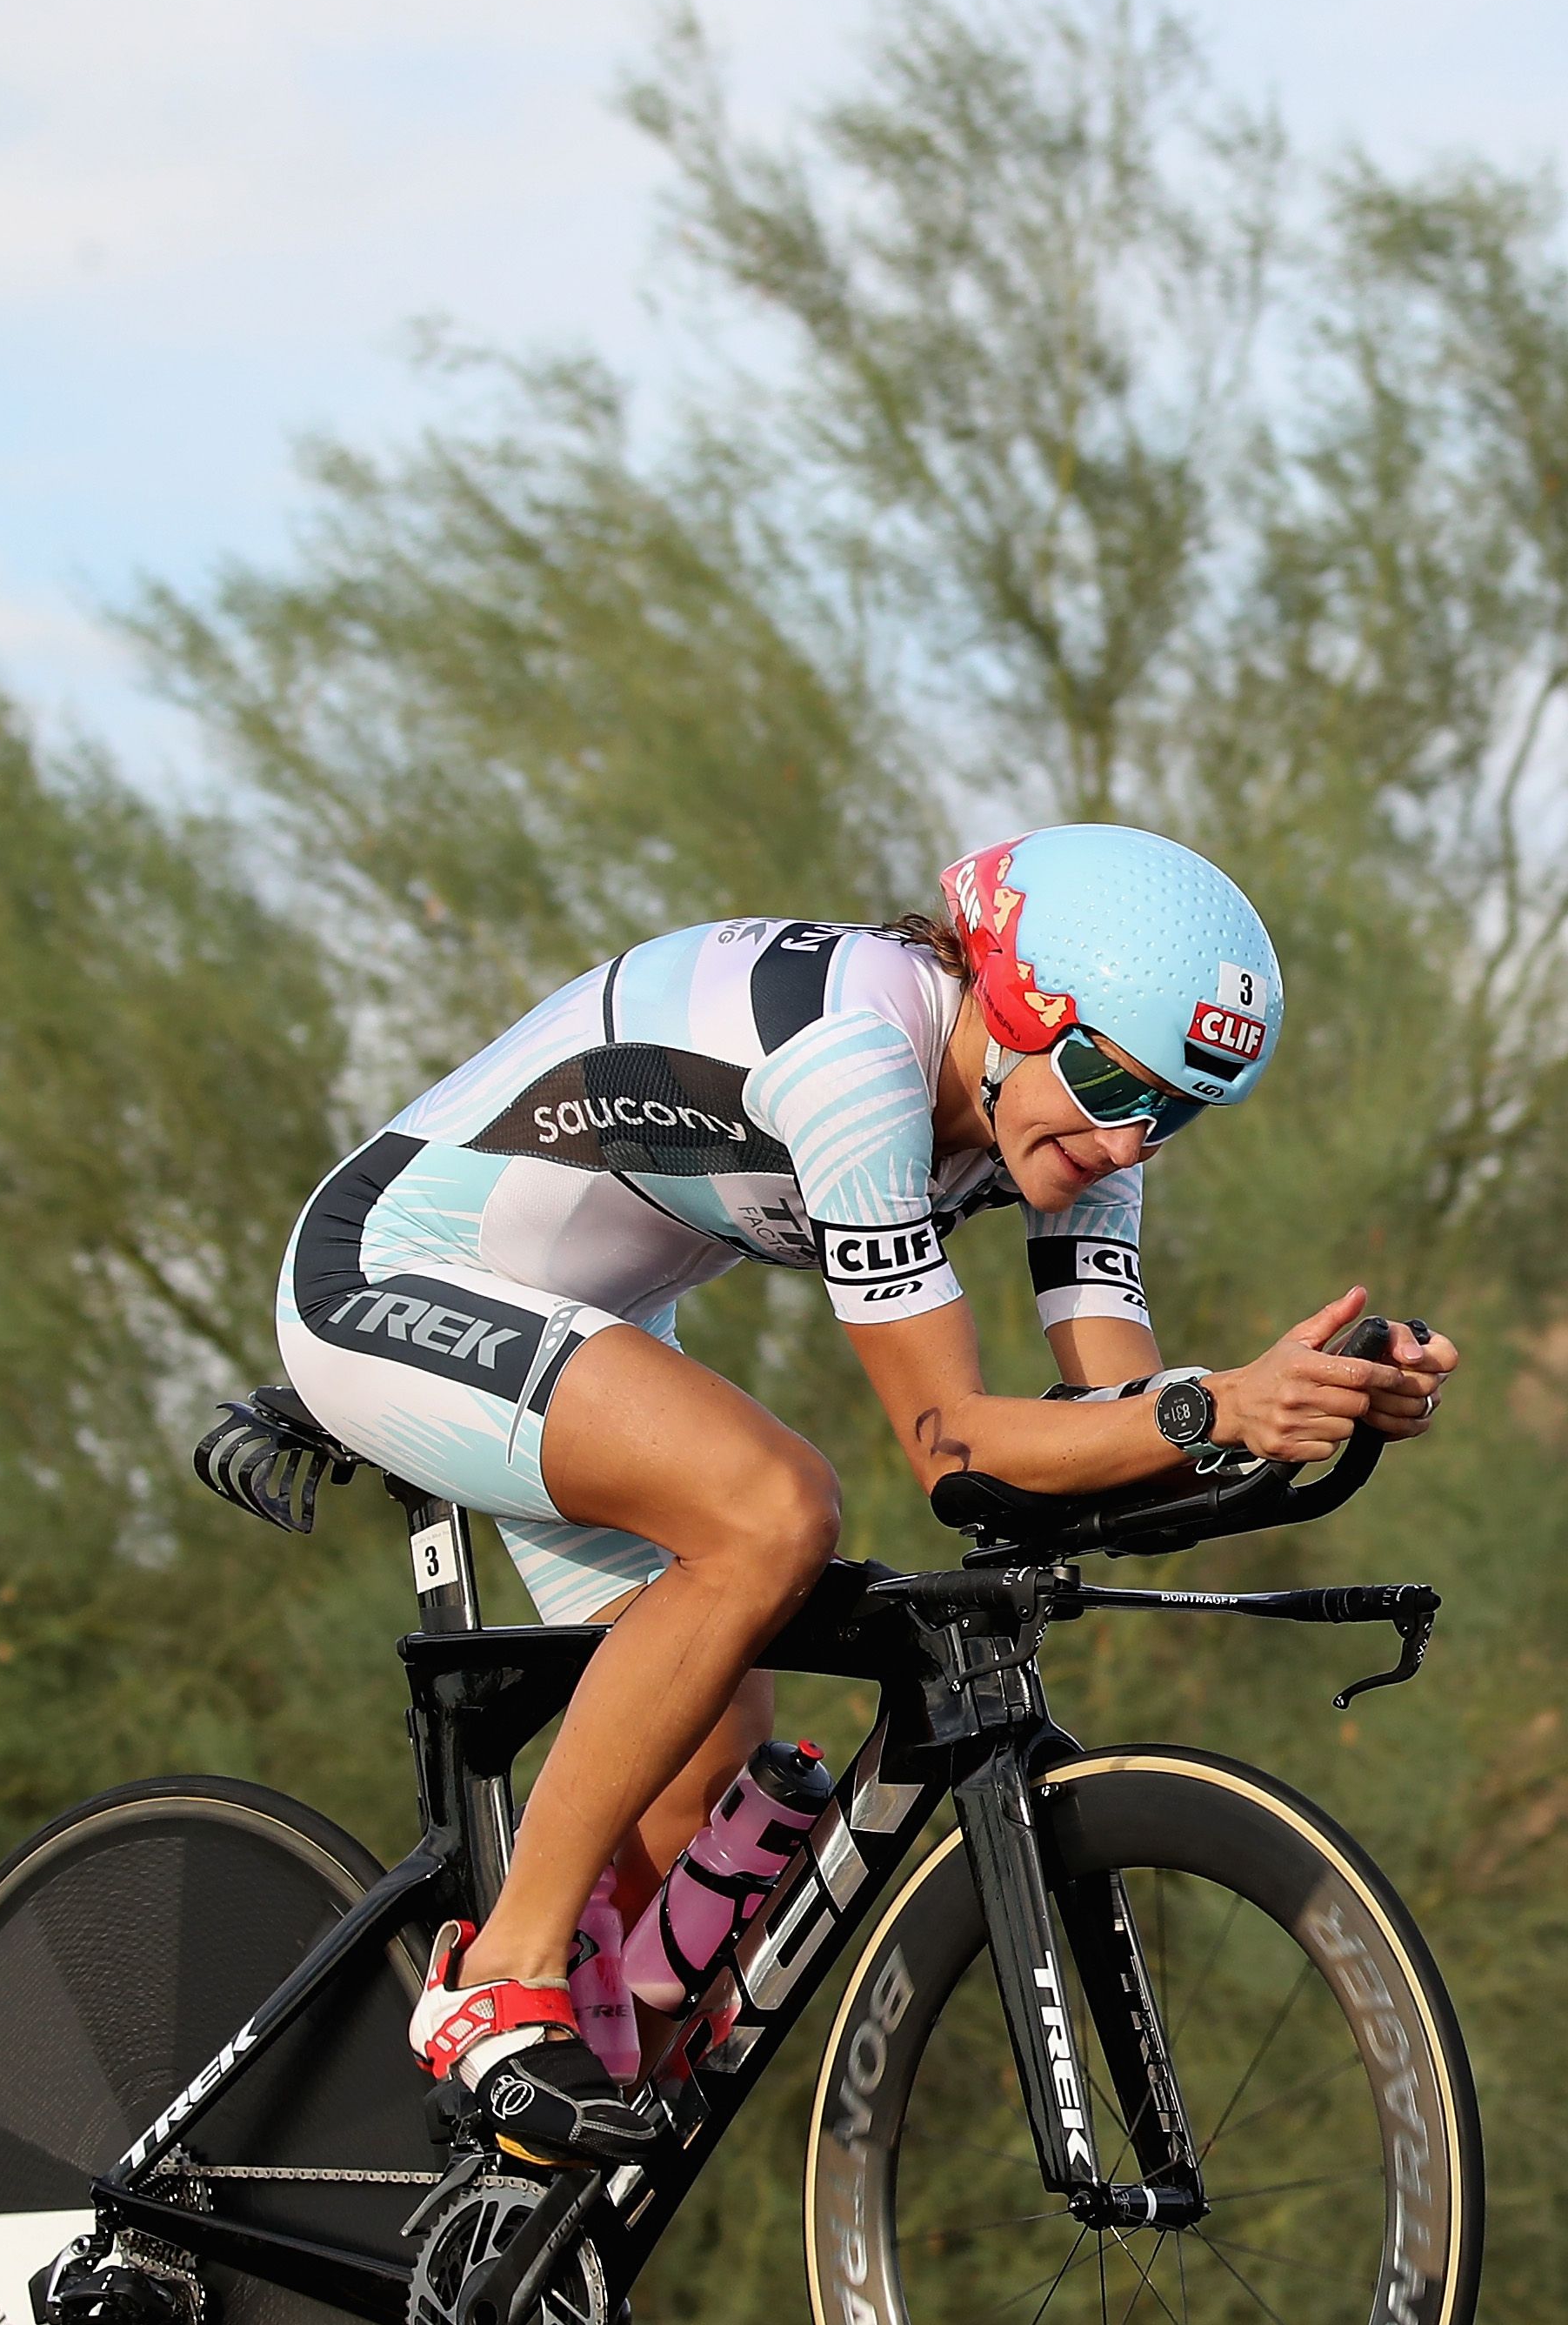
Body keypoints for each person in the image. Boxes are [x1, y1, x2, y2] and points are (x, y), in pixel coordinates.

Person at [270, 824, 1457, 2170]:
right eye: (1110, 1081)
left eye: (1175, 1111)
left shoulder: (1067, 1128)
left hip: (589, 1325)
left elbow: (1111, 1423)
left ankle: (512, 2242)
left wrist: (1302, 1408)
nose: (1130, 1139)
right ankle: (502, 1977)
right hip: (386, 1275)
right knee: (774, 1511)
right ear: (1012, 1004)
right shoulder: (856, 1064)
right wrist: (1214, 1408)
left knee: (704, 1784)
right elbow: (955, 1450)